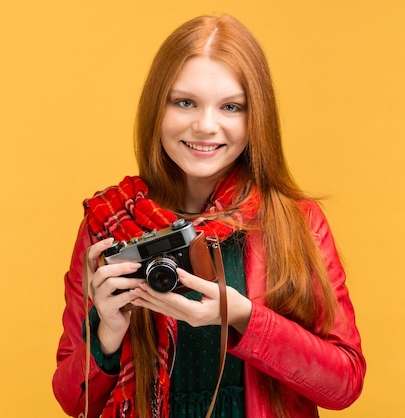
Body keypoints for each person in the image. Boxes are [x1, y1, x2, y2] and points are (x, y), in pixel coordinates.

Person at [52, 14, 365, 418]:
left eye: (231, 107)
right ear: (157, 108)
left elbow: (344, 385)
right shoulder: (109, 222)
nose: (205, 126)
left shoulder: (296, 223)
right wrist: (106, 336)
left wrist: (242, 316)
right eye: (185, 102)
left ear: (256, 119)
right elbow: (71, 400)